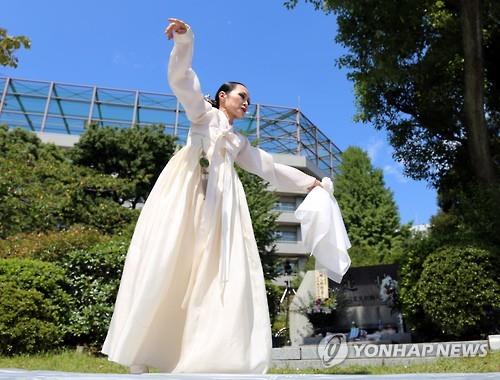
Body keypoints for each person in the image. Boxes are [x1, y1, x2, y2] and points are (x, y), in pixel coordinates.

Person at [101, 18, 321, 374]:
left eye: (249, 99)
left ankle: (209, 352)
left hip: (222, 207)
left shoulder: (238, 142)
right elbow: (183, 81)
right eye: (241, 96)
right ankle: (141, 352)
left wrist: (308, 183)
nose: (247, 103)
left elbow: (270, 168)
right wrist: (185, 42)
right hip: (186, 196)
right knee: (168, 262)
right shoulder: (202, 115)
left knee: (221, 272)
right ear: (223, 97)